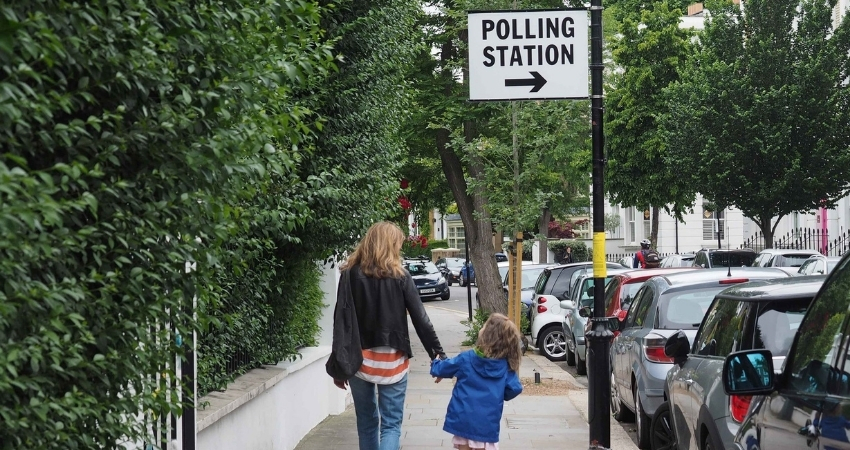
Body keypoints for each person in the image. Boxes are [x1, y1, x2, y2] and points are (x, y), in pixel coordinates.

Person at [333, 221, 446, 450]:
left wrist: (338, 364)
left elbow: (341, 320)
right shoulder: (401, 276)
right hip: (392, 360)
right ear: (391, 245)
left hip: (358, 360)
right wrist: (437, 353)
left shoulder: (349, 275)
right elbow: (421, 319)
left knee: (366, 423)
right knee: (391, 426)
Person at [430, 313, 523, 450]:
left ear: (486, 335)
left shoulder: (466, 358)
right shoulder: (505, 367)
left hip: (463, 420)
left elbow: (445, 368)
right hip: (487, 424)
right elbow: (515, 388)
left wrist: (435, 364)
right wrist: (499, 393)